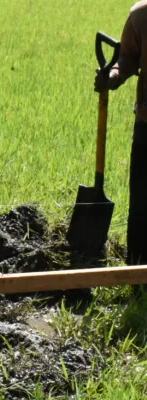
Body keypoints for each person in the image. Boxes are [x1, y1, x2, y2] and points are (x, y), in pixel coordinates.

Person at [94, 1, 147, 267]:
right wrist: (112, 76)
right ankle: (137, 275)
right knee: (141, 205)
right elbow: (127, 57)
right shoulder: (141, 15)